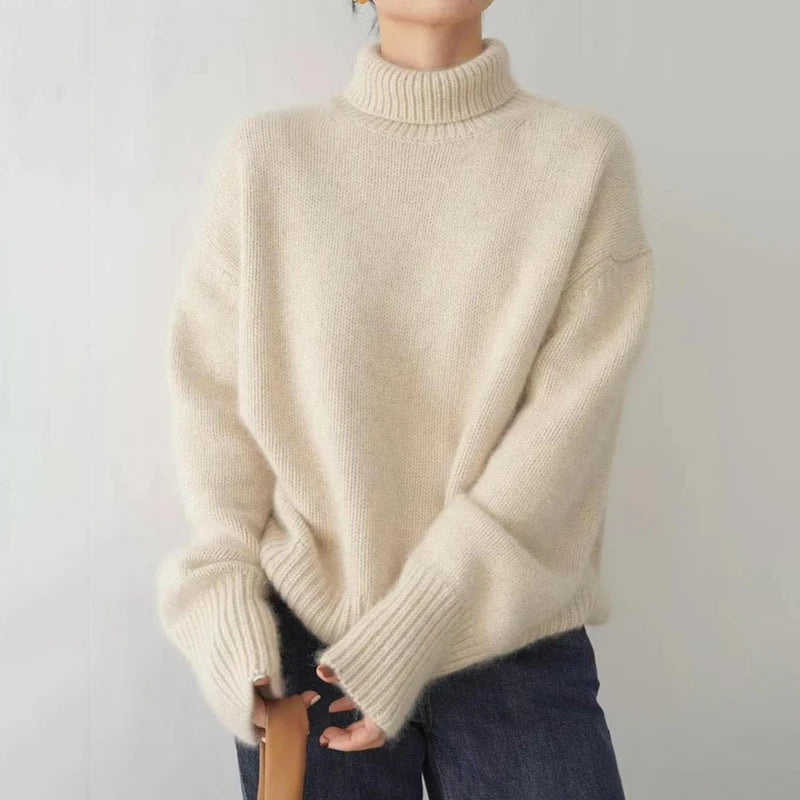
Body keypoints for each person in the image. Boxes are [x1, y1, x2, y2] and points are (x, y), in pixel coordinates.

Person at [156, 2, 654, 798]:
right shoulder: (268, 160)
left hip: (513, 640)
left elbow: (567, 434)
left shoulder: (582, 159)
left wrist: (422, 622)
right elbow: (215, 402)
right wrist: (224, 605)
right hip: (306, 654)